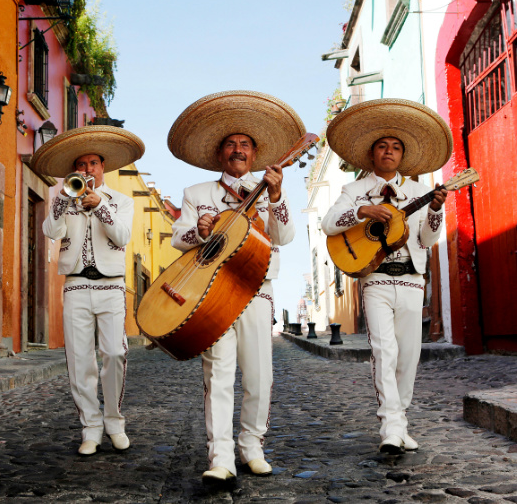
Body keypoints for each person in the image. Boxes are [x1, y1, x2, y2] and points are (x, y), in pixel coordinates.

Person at [168, 91, 303, 481]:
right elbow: (179, 237)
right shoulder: (197, 194)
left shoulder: (269, 191)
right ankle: (220, 457)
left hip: (258, 290)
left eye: (244, 144)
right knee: (219, 375)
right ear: (220, 154)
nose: (238, 150)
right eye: (231, 144)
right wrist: (200, 229)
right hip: (212, 295)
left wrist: (275, 197)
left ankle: (252, 445)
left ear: (255, 154)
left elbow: (286, 235)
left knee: (260, 375)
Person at [321, 99, 452, 454]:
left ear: (402, 156)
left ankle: (400, 420)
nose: (389, 152)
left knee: (409, 355)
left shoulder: (417, 192)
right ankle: (390, 427)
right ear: (372, 154)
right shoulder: (354, 191)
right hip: (375, 278)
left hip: (412, 279)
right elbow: (328, 223)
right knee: (384, 351)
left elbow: (427, 238)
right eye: (383, 147)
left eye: (395, 147)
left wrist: (436, 211)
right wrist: (363, 210)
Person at [31, 126, 144, 456]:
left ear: (103, 167)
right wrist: (63, 200)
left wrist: (98, 206)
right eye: (80, 165)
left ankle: (114, 421)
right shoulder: (65, 197)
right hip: (76, 285)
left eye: (92, 163)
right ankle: (90, 427)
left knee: (114, 353)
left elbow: (122, 236)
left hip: (110, 286)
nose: (86, 170)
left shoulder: (121, 201)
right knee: (80, 360)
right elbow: (50, 231)